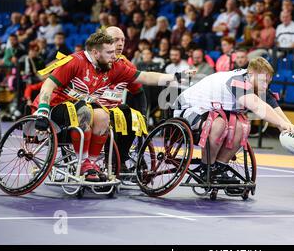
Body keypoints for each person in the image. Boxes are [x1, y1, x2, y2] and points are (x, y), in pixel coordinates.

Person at [32, 32, 189, 181]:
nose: (114, 57)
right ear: (95, 52)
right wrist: (43, 112)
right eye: (109, 53)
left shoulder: (113, 66)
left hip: (79, 108)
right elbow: (47, 85)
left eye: (115, 52)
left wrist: (175, 77)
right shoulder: (75, 61)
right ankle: (82, 161)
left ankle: (90, 164)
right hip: (54, 107)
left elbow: (145, 76)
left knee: (102, 115)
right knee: (85, 111)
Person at [173, 57, 294, 182]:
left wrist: (288, 127)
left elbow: (273, 106)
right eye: (263, 81)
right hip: (188, 108)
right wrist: (281, 123)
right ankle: (207, 168)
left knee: (242, 126)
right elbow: (257, 106)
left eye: (268, 82)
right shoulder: (237, 81)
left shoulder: (255, 83)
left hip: (211, 111)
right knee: (218, 123)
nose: (266, 86)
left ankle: (219, 167)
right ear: (251, 73)